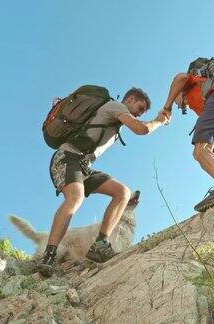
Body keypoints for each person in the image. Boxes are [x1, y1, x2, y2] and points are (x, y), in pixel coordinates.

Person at [38, 87, 169, 277]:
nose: (138, 114)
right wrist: (159, 120)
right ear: (131, 99)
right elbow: (141, 129)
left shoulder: (116, 121)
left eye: (140, 113)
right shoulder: (115, 106)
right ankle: (48, 256)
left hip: (83, 164)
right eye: (139, 109)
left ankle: (100, 244)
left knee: (122, 193)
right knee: (75, 198)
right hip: (67, 157)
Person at [160, 72, 214, 212]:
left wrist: (167, 107)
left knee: (200, 152)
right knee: (212, 156)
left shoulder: (191, 85)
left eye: (179, 104)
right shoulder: (204, 100)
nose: (183, 107)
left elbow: (180, 78)